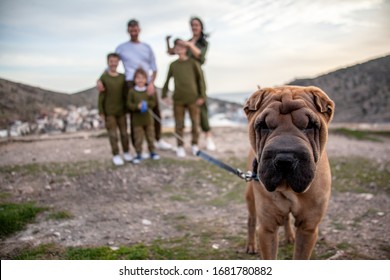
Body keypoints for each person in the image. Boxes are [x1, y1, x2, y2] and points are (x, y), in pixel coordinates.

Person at [97, 19, 172, 151]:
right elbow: (111, 64)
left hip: (147, 82)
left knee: (155, 111)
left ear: (139, 30)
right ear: (128, 31)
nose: (133, 32)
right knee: (134, 113)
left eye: (135, 29)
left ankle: (158, 139)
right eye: (131, 30)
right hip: (130, 82)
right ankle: (136, 145)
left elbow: (154, 68)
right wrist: (100, 79)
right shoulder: (122, 48)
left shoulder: (147, 47)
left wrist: (151, 83)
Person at [166, 16, 216, 151]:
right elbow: (172, 51)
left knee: (202, 108)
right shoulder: (187, 42)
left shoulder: (203, 43)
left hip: (197, 75)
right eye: (192, 25)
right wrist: (168, 42)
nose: (194, 27)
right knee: (192, 115)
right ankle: (192, 141)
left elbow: (201, 57)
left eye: (197, 25)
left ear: (201, 27)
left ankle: (208, 137)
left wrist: (189, 45)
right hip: (185, 76)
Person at [162, 39, 206, 157]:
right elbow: (167, 80)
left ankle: (194, 145)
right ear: (175, 49)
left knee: (195, 124)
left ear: (186, 48)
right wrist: (164, 94)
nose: (179, 48)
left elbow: (200, 80)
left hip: (193, 98)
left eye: (181, 46)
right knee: (179, 124)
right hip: (178, 99)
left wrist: (202, 95)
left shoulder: (193, 63)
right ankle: (180, 146)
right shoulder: (173, 65)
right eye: (177, 46)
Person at [98, 53, 132, 166]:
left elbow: (126, 94)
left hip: (121, 111)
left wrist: (128, 107)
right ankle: (116, 154)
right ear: (108, 62)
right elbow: (101, 95)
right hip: (109, 112)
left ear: (118, 62)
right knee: (113, 134)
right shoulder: (104, 77)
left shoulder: (122, 77)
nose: (113, 63)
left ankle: (126, 152)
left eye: (115, 61)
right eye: (111, 61)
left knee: (124, 133)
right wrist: (101, 111)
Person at [127, 68, 160, 164]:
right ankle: (138, 154)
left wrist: (147, 104)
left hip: (148, 119)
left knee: (150, 136)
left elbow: (153, 102)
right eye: (138, 78)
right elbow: (129, 104)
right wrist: (137, 106)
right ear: (134, 79)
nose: (140, 80)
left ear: (146, 79)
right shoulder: (132, 92)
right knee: (138, 138)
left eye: (142, 78)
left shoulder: (148, 91)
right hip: (137, 120)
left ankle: (152, 152)